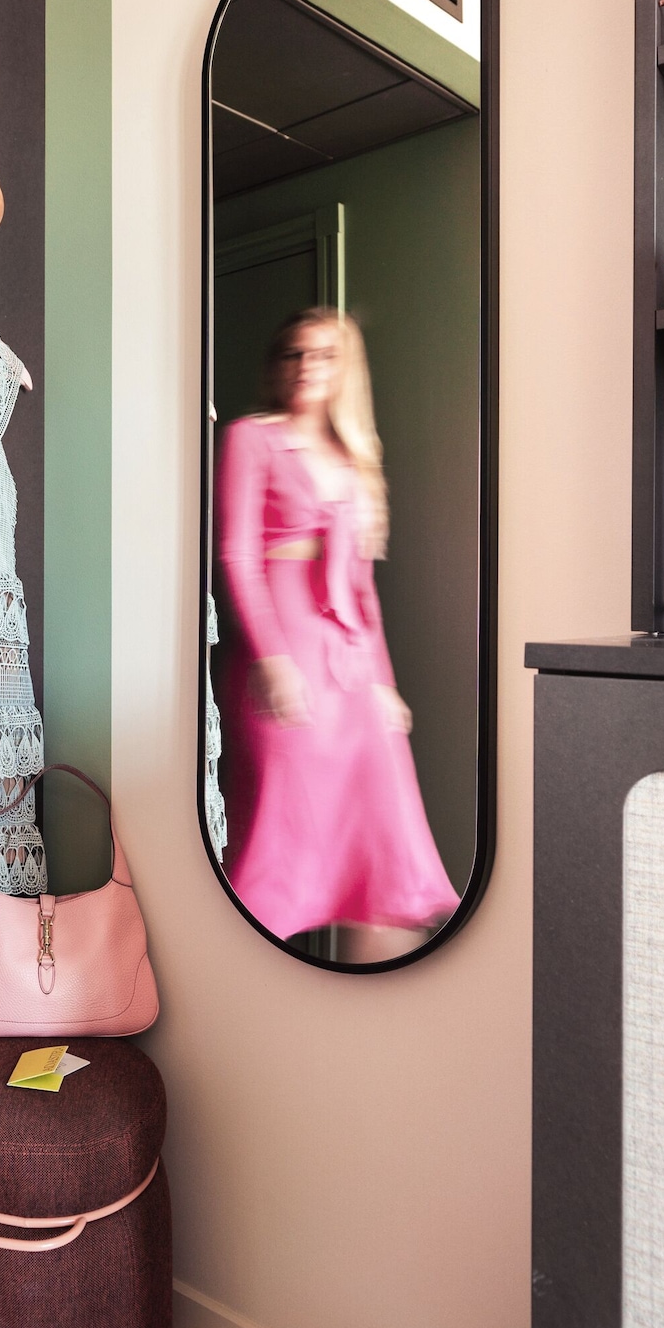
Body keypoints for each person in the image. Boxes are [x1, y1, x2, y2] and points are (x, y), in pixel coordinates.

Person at [216, 306, 458, 962]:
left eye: (324, 355)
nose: (306, 367)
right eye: (294, 353)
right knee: (279, 831)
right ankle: (248, 980)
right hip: (284, 654)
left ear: (344, 370)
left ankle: (372, 1002)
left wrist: (383, 683)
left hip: (349, 664)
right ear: (277, 365)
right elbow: (237, 556)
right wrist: (271, 659)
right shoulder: (251, 438)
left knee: (382, 842)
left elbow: (360, 586)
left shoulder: (353, 460)